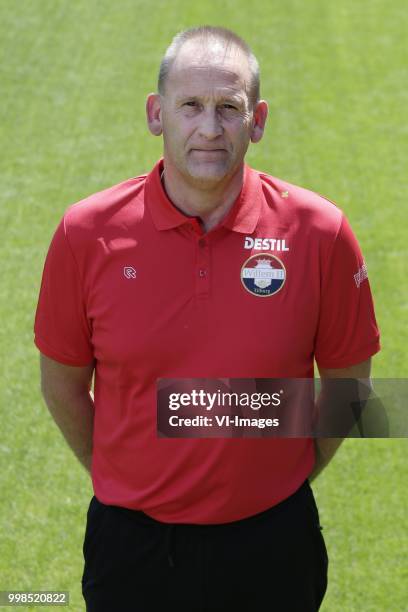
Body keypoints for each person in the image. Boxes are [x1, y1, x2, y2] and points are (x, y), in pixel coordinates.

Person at [34, 26, 380, 612]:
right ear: (156, 113)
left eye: (230, 108)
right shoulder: (85, 234)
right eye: (190, 105)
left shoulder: (321, 233)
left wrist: (282, 477)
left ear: (258, 119)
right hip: (132, 550)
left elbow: (350, 388)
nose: (210, 129)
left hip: (273, 545)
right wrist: (123, 478)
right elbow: (62, 384)